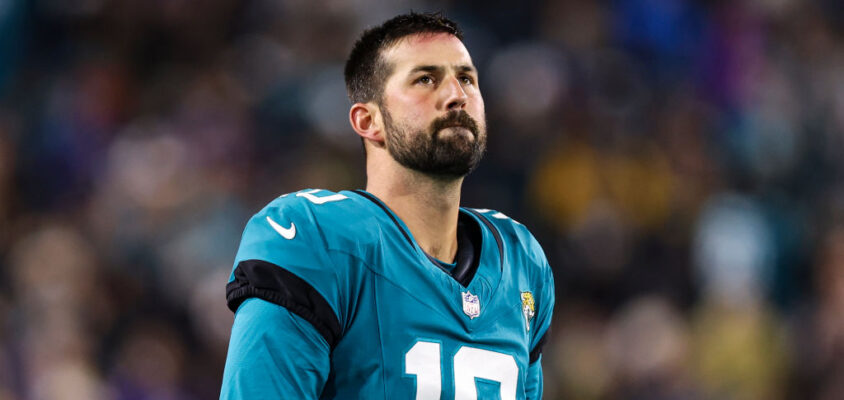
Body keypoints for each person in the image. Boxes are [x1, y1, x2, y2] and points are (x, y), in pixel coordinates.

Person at [220, 12, 554, 400]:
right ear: (368, 120)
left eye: (466, 78)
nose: (456, 95)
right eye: (425, 79)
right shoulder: (316, 237)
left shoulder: (521, 261)